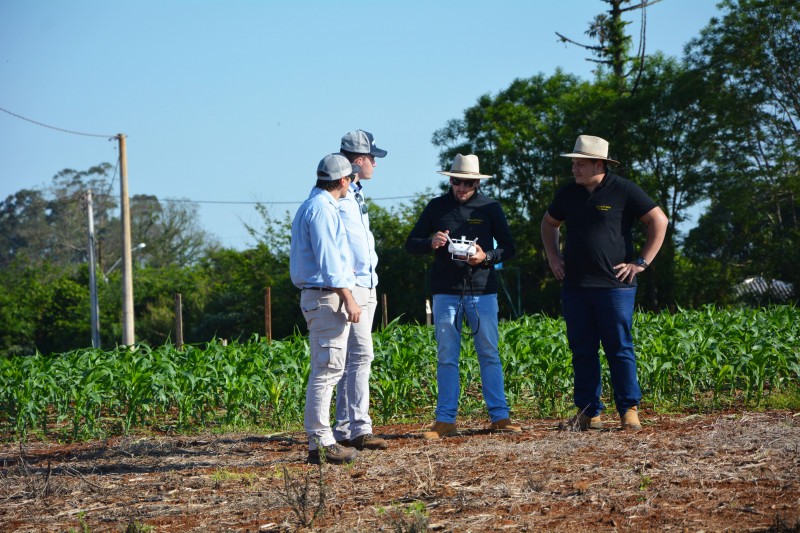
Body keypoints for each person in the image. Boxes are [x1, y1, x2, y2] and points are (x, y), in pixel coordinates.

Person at [540, 135, 668, 431]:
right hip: (575, 286)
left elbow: (658, 221)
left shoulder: (623, 190)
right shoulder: (568, 194)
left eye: (580, 163)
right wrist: (553, 257)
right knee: (582, 349)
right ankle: (589, 413)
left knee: (619, 347)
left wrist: (641, 262)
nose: (574, 168)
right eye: (573, 163)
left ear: (599, 163)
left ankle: (629, 410)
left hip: (615, 287)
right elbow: (549, 224)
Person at [405, 154, 521, 439]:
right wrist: (430, 242)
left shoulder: (491, 207)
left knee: (489, 353)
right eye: (457, 181)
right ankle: (445, 420)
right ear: (450, 180)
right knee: (447, 356)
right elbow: (411, 243)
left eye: (468, 182)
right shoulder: (436, 207)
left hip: (483, 292)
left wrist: (486, 257)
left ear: (477, 182)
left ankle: (500, 417)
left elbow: (509, 247)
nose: (461, 187)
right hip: (445, 291)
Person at [290, 153, 363, 464]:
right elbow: (329, 260)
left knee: (328, 368)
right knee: (327, 369)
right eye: (351, 180)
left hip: (321, 295)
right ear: (343, 180)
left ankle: (319, 443)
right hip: (325, 296)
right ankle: (320, 441)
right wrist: (348, 296)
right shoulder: (322, 209)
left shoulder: (314, 205)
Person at [332, 129, 389, 451]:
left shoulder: (355, 192)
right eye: (372, 159)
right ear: (359, 160)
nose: (375, 165)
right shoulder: (339, 196)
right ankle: (357, 427)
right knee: (359, 354)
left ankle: (346, 427)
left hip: (367, 282)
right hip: (353, 285)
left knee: (354, 356)